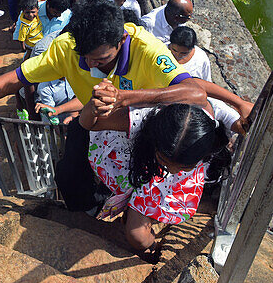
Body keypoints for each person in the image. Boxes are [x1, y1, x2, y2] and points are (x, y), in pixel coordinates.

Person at [0, 0, 208, 213]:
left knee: (138, 180)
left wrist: (128, 98)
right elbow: (16, 79)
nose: (90, 66)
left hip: (138, 128)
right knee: (68, 175)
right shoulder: (66, 47)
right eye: (85, 57)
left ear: (122, 39)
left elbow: (195, 94)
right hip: (91, 121)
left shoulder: (147, 49)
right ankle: (87, 212)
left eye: (101, 59)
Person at [81, 101, 235, 262]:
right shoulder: (136, 120)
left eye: (185, 167)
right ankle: (150, 242)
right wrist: (93, 106)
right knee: (138, 237)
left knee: (138, 236)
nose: (174, 170)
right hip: (135, 159)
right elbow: (88, 123)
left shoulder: (207, 128)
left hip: (166, 177)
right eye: (165, 159)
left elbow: (209, 98)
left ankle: (142, 222)